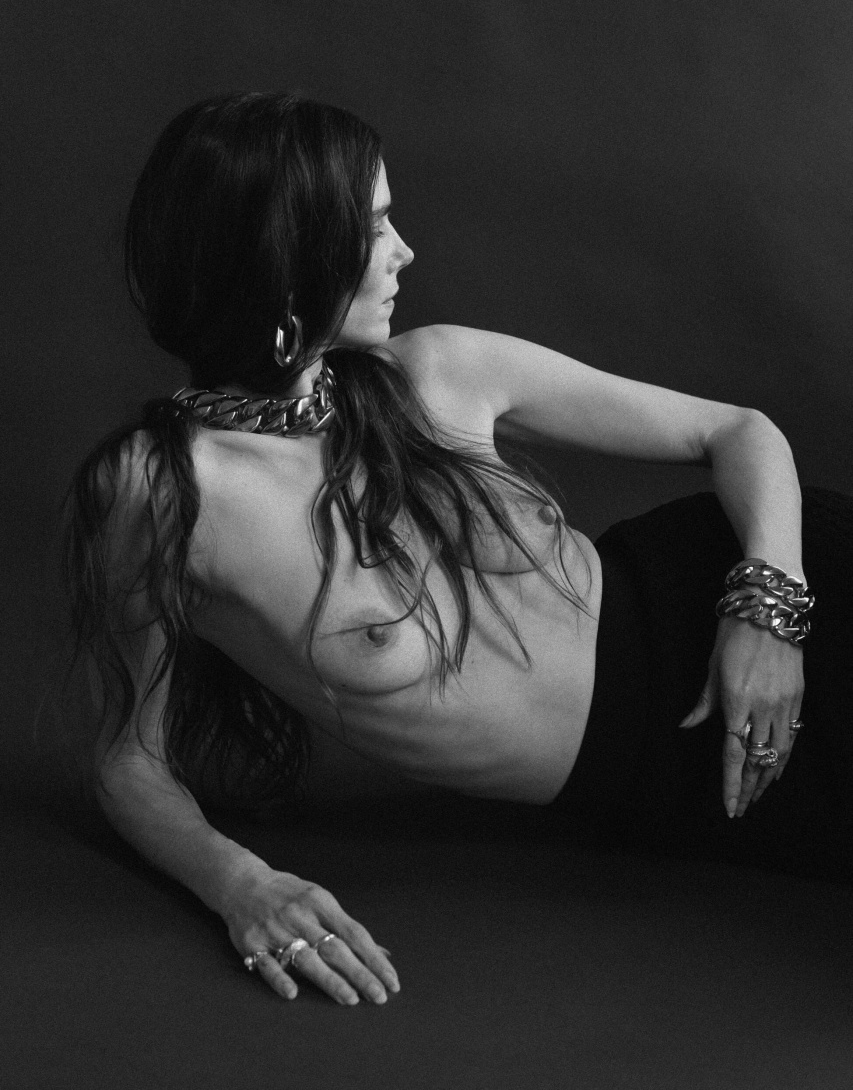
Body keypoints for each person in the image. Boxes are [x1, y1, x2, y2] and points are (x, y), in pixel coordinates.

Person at [65, 92, 852, 1009]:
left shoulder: (437, 370)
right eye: (373, 227)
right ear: (285, 257)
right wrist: (242, 884)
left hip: (761, 598)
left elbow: (739, 431)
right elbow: (128, 761)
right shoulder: (162, 493)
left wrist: (767, 612)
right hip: (675, 774)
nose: (403, 251)